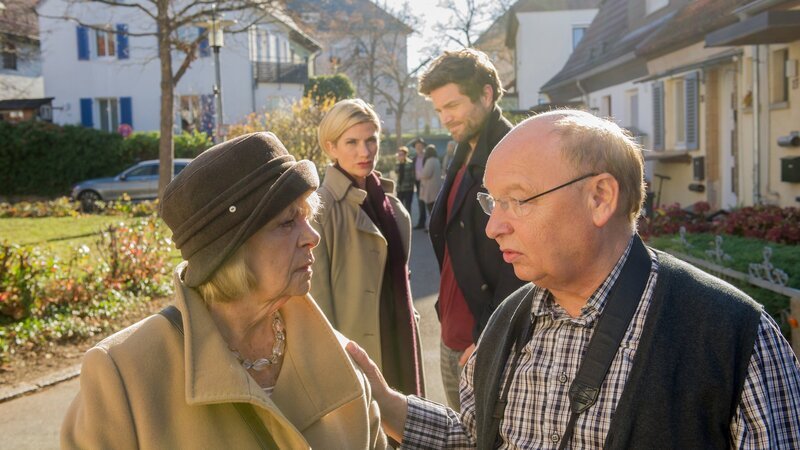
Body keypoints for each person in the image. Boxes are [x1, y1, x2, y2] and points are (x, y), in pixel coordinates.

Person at [347, 110, 800, 448]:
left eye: (518, 201)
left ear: (600, 197)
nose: (492, 227)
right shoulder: (509, 319)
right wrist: (387, 404)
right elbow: (477, 437)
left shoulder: (735, 335)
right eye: (493, 202)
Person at [61, 132, 387, 449]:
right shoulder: (122, 374)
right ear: (229, 252)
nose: (312, 236)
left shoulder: (342, 358)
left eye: (306, 217)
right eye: (288, 223)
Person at [418, 48, 524, 410]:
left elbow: (527, 255)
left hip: (484, 340)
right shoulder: (460, 151)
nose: (445, 118)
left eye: (453, 106)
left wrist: (493, 337)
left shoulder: (514, 154)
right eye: (438, 110)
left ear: (487, 94)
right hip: (451, 333)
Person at [311, 99, 424, 398]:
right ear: (331, 147)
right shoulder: (320, 210)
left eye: (370, 140)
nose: (364, 151)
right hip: (356, 357)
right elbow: (316, 306)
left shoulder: (394, 207)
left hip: (401, 341)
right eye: (352, 142)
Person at [418, 144, 442, 232]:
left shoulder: (429, 161)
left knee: (430, 210)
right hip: (436, 188)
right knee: (434, 209)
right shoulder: (437, 160)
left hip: (429, 189)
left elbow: (426, 174)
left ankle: (432, 227)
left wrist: (420, 174)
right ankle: (435, 227)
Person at [410, 137, 427, 230]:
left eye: (420, 146)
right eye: (417, 146)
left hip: (426, 183)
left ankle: (431, 224)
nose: (418, 147)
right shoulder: (414, 159)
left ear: (423, 147)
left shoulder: (427, 157)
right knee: (420, 203)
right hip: (417, 183)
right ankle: (421, 223)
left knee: (428, 203)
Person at [395, 146, 415, 213]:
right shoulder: (397, 164)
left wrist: (411, 187)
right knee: (399, 207)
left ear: (405, 155)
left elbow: (413, 176)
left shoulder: (410, 163)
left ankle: (408, 222)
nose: (400, 156)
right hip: (400, 189)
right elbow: (396, 174)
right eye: (399, 154)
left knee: (408, 207)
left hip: (408, 189)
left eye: (401, 154)